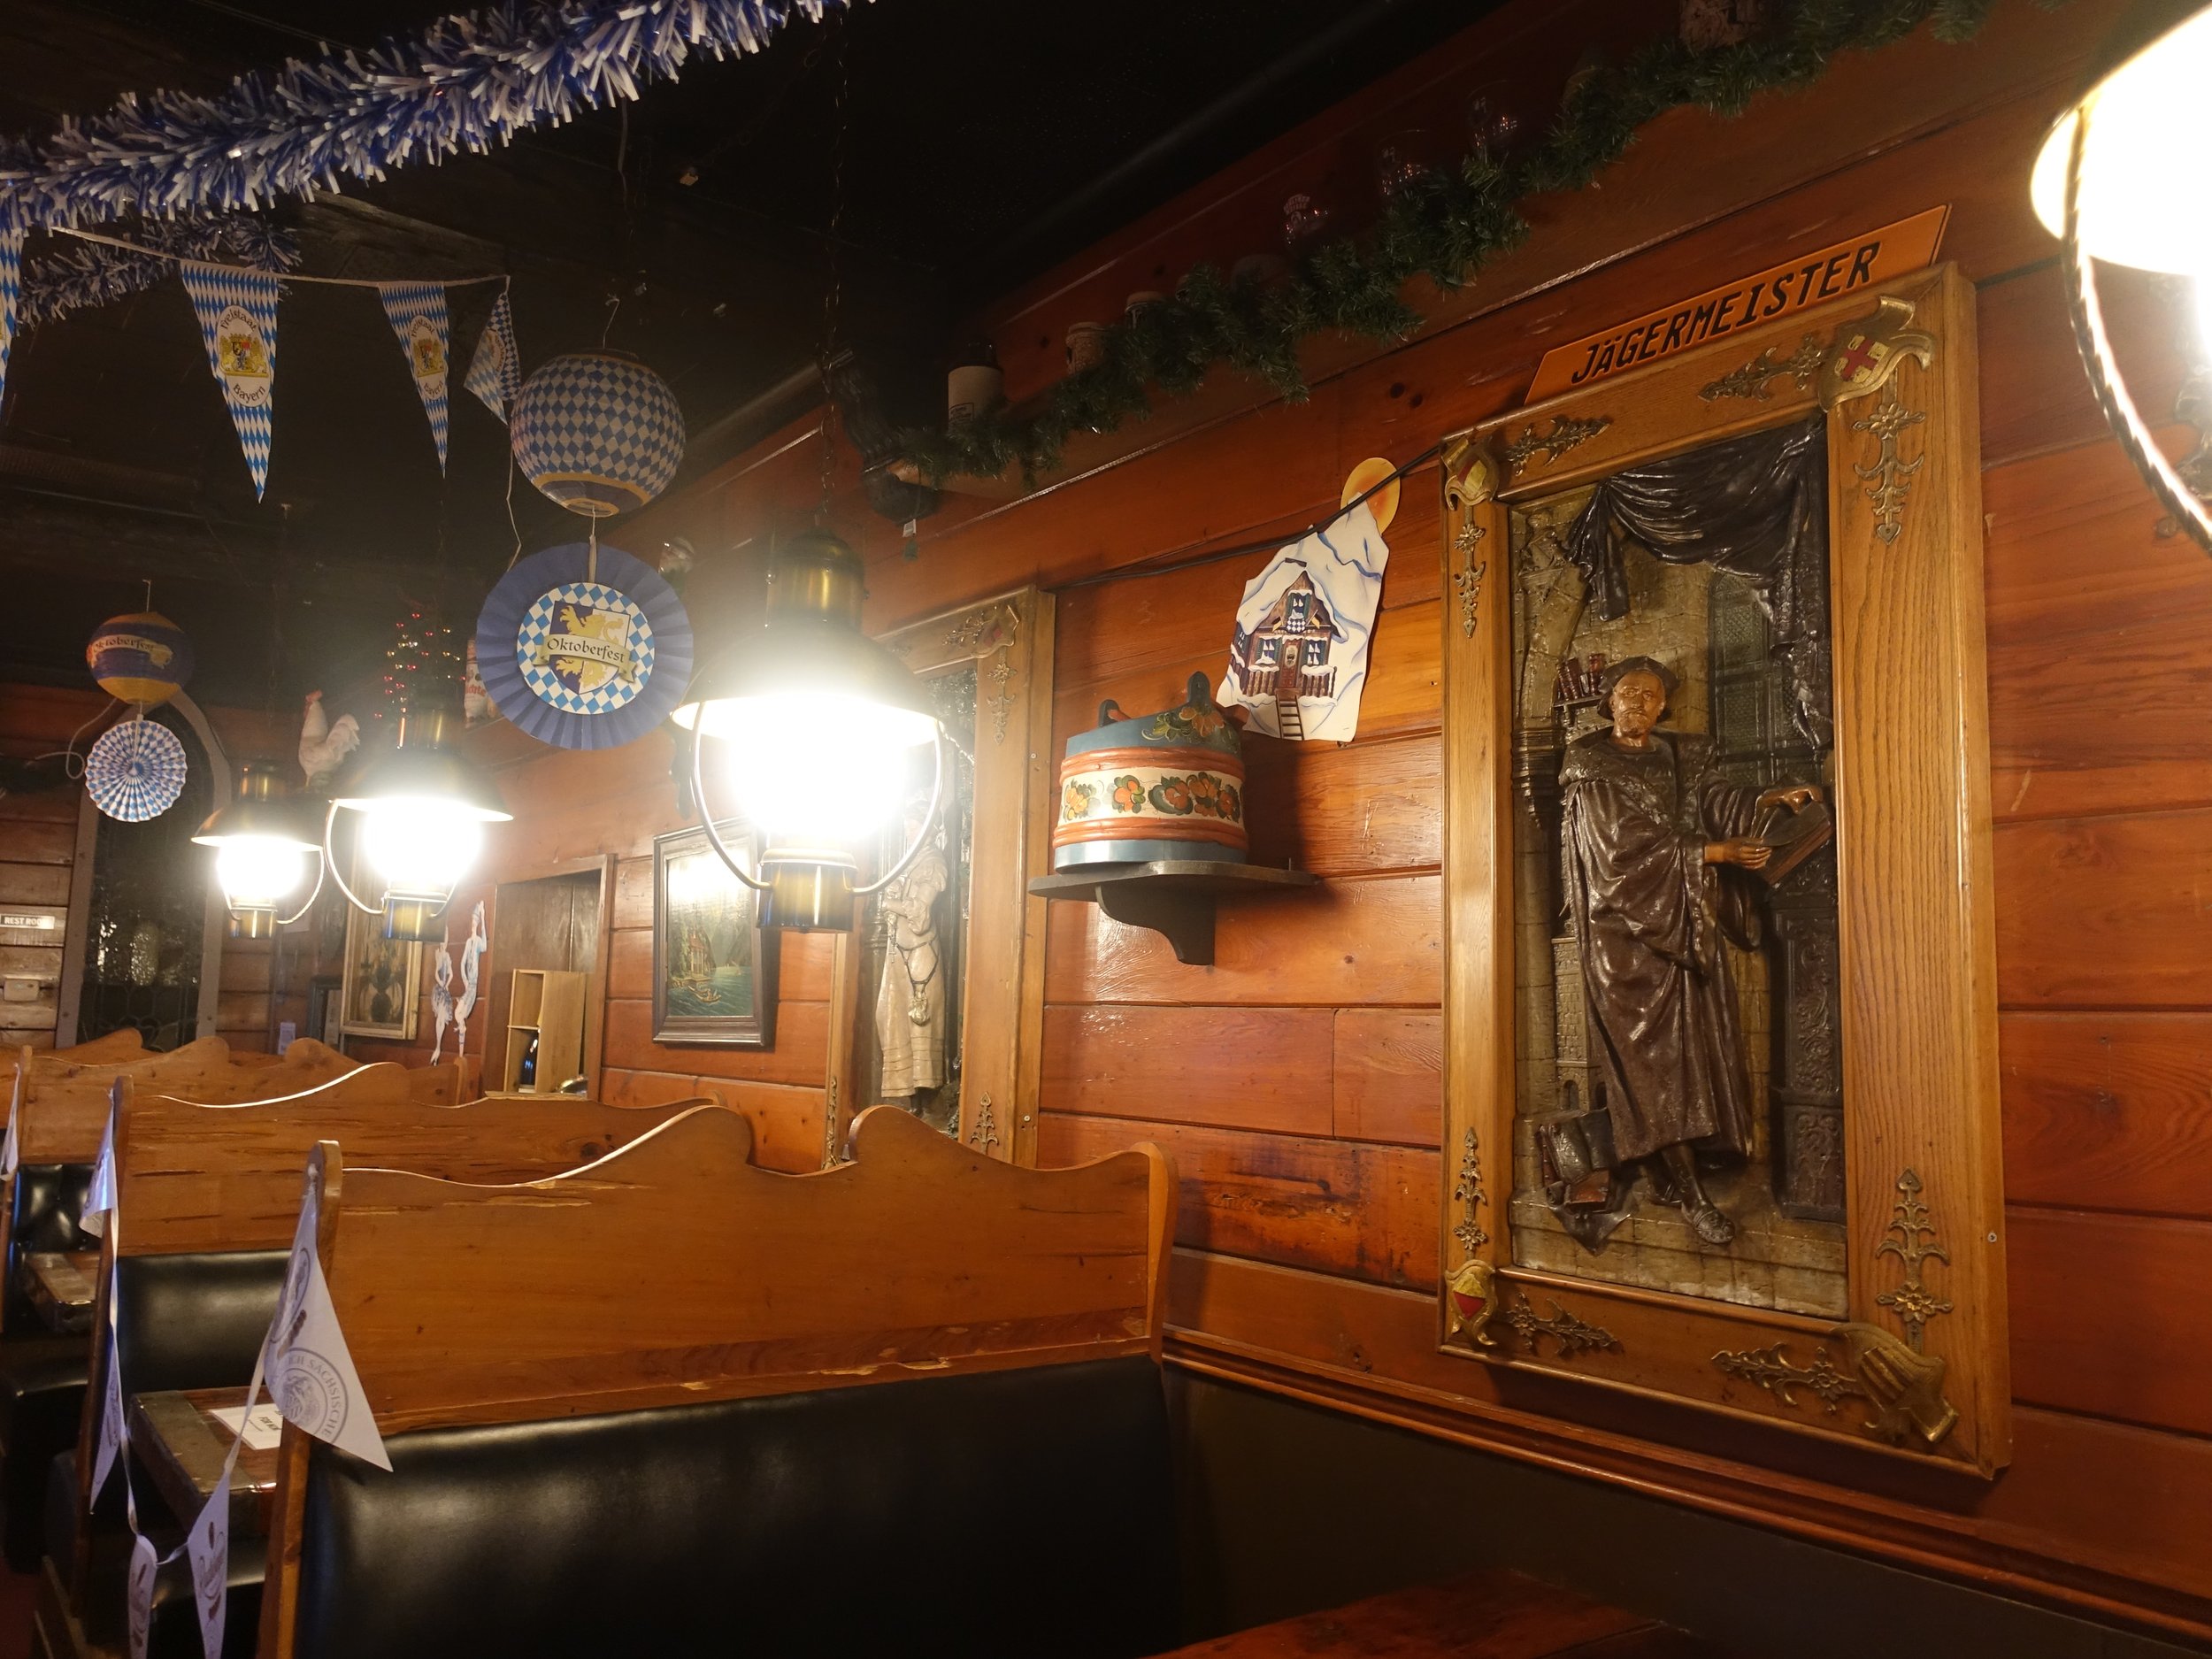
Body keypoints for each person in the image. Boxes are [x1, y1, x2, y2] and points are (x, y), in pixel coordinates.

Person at [1559, 657, 1820, 1246]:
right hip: (1624, 940)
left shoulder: (1679, 755)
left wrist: (1770, 800)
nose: (1639, 703)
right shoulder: (1590, 765)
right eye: (1629, 692)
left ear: (1663, 706)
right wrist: (1713, 853)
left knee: (1688, 1058)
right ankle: (1693, 1198)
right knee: (1652, 1066)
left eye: (1650, 695)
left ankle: (1670, 1176)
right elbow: (1619, 851)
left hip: (1683, 923)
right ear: (1608, 700)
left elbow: (1714, 801)